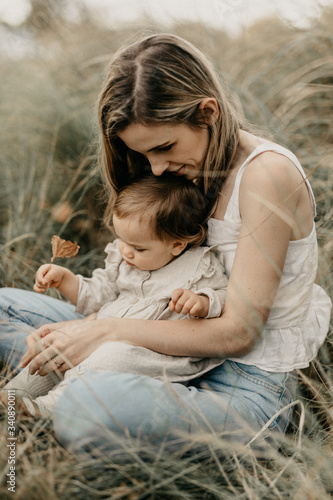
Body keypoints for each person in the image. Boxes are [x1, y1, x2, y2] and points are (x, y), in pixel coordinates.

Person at [0, 33, 331, 453]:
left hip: (240, 380)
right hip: (155, 338)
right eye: (144, 155)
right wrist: (89, 326)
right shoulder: (180, 171)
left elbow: (238, 334)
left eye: (164, 147)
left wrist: (102, 332)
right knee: (5, 307)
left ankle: (79, 391)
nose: (156, 168)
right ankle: (79, 373)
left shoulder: (267, 175)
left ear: (207, 112)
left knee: (87, 409)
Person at [1, 173, 228, 416]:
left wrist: (202, 302)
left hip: (153, 353)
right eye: (122, 240)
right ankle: (15, 395)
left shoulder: (198, 267)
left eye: (138, 248)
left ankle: (48, 410)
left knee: (107, 358)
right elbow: (98, 294)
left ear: (177, 244)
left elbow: (223, 296)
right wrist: (66, 280)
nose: (126, 252)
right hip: (101, 333)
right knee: (57, 347)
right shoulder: (125, 259)